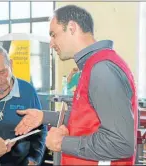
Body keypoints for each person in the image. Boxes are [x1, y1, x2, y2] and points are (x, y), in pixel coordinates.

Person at [14, 4, 138, 165]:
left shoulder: (102, 69)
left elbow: (120, 143)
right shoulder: (92, 66)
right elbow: (88, 119)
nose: (51, 43)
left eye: (54, 35)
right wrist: (44, 116)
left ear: (72, 28)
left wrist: (62, 143)